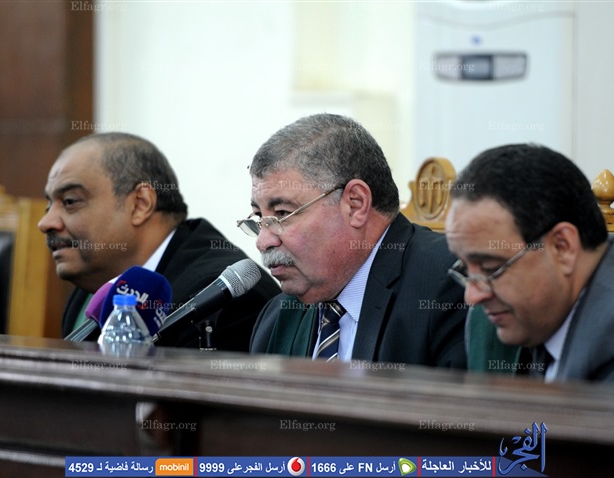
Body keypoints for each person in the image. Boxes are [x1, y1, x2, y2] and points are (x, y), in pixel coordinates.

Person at [241, 114, 467, 367]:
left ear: (355, 204)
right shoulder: (276, 320)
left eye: (282, 213)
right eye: (259, 217)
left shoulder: (449, 286)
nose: (263, 242)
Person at [445, 143, 614, 385]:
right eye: (465, 268)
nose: (472, 297)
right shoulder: (511, 317)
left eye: (490, 268)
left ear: (562, 247)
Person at [38, 132, 280, 350]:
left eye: (70, 202)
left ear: (140, 204)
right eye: (49, 205)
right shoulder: (93, 290)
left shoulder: (217, 298)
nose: (45, 222)